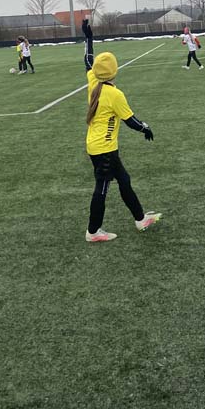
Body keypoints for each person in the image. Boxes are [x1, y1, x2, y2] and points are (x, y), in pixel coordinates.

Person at [81, 18, 161, 242]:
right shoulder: (114, 94)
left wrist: (88, 38)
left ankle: (140, 218)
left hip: (98, 146)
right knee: (102, 187)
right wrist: (145, 128)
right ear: (114, 71)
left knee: (124, 180)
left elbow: (87, 60)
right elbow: (131, 121)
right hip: (104, 149)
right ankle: (93, 231)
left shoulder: (93, 82)